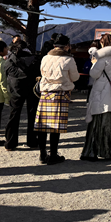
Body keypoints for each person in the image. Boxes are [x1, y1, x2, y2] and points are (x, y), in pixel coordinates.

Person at [81, 34, 111, 161]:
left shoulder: (104, 58)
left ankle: (94, 151)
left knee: (98, 124)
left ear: (104, 44)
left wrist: (93, 63)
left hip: (102, 93)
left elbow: (94, 73)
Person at [34, 34, 80, 165]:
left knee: (42, 125)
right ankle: (53, 154)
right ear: (67, 46)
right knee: (56, 126)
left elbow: (42, 73)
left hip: (45, 92)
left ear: (54, 45)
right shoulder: (69, 59)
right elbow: (75, 77)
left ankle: (42, 153)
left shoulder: (45, 58)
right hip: (61, 92)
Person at [4, 41, 40, 151]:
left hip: (16, 89)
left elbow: (6, 74)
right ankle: (32, 141)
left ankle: (10, 143)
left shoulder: (10, 60)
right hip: (32, 89)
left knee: (14, 114)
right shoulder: (35, 59)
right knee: (32, 114)